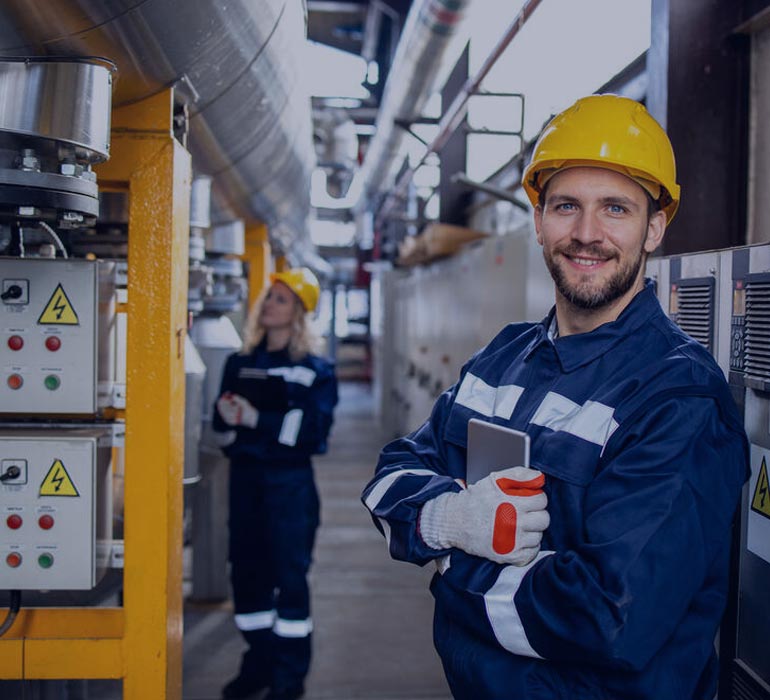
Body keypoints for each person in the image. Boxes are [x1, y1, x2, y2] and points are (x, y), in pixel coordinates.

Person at [361, 94, 749, 699]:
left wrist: (448, 561)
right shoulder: (504, 356)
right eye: (566, 206)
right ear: (539, 220)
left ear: (654, 228)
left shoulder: (679, 397)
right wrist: (450, 517)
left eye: (614, 209)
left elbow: (608, 619)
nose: (587, 234)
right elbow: (391, 478)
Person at [213, 267, 338, 700]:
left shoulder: (315, 371)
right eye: (269, 297)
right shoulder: (239, 362)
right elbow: (221, 429)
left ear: (300, 313)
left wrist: (255, 420)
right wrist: (230, 418)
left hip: (290, 488)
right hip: (245, 482)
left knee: (289, 578)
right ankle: (258, 663)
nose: (269, 305)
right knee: (247, 577)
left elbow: (313, 433)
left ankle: (289, 676)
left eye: (282, 299)